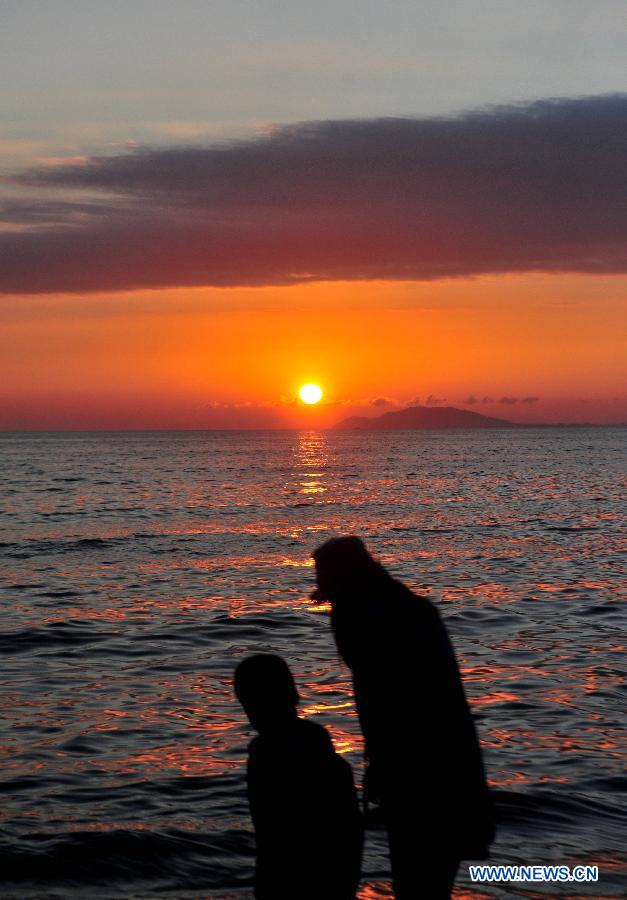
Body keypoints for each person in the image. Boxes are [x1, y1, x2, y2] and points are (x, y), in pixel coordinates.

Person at [311, 536, 495, 899]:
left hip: (421, 774)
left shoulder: (369, 619)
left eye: (327, 588)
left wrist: (381, 764)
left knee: (418, 881)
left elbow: (390, 704)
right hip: (447, 768)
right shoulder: (405, 609)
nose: (324, 596)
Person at [234, 654, 363, 899]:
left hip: (294, 877)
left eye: (248, 700)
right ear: (293, 694)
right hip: (338, 872)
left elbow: (272, 838)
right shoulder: (319, 745)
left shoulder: (266, 753)